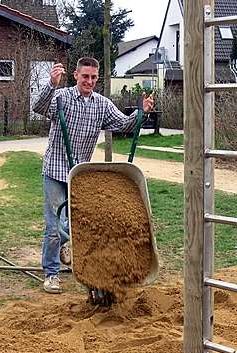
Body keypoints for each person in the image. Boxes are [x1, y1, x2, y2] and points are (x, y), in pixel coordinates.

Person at [32, 56, 154, 294]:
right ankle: (52, 274)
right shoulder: (61, 97)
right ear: (76, 75)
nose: (89, 81)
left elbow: (124, 124)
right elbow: (39, 107)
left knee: (82, 225)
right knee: (54, 226)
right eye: (85, 76)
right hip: (56, 169)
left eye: (93, 77)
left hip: (80, 176)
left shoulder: (102, 104)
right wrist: (51, 84)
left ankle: (86, 266)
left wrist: (142, 113)